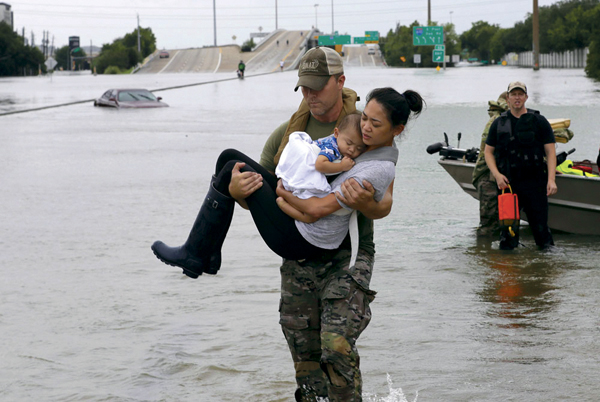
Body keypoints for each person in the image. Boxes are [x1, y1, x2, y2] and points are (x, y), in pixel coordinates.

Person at [484, 81, 557, 250]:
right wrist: (496, 175)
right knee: (508, 233)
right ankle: (509, 271)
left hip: (535, 183)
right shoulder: (499, 123)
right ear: (508, 98)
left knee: (541, 232)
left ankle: (545, 270)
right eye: (513, 94)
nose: (517, 98)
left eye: (520, 94)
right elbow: (488, 152)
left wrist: (551, 180)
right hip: (508, 185)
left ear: (526, 97)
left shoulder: (539, 121)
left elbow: (550, 152)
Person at [276, 114, 365, 200]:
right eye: (349, 143)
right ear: (336, 133)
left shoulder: (338, 144)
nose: (352, 150)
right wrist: (342, 166)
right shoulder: (332, 148)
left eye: (359, 148)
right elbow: (320, 165)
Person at [471, 92, 508, 236]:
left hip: (497, 176)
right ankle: (484, 254)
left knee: (502, 221)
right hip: (488, 177)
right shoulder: (496, 121)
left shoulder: (504, 120)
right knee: (489, 225)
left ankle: (491, 255)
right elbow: (487, 152)